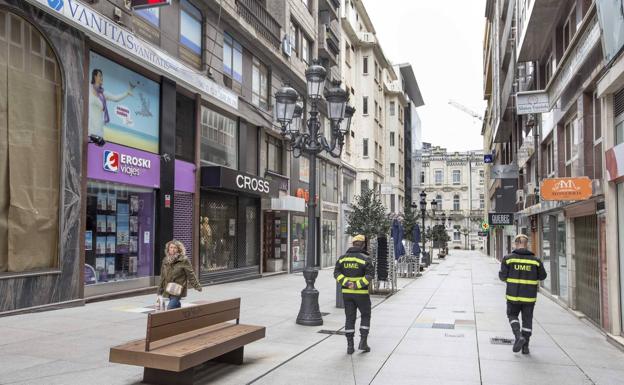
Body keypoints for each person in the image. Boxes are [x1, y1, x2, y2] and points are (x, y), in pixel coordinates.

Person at [499, 234, 547, 354]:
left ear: (516, 244)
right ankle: (525, 346)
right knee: (527, 320)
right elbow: (543, 276)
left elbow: (502, 277)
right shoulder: (536, 261)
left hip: (513, 296)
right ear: (527, 244)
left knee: (512, 316)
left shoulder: (508, 259)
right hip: (529, 298)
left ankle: (518, 336)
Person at [334, 234, 374, 354]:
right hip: (361, 293)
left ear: (353, 244)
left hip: (347, 294)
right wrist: (357, 285)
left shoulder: (342, 258)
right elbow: (370, 275)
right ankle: (363, 342)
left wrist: (347, 283)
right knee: (365, 315)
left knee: (350, 318)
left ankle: (350, 346)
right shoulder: (365, 258)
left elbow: (336, 273)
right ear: (362, 245)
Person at [88, 68, 135, 137]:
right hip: (88, 129)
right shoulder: (88, 87)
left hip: (98, 131)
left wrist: (127, 93)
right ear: (95, 77)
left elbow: (116, 98)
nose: (102, 78)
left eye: (102, 76)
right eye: (100, 76)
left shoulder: (103, 94)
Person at [158, 240, 202, 310]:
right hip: (168, 288)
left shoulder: (184, 260)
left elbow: (191, 274)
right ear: (168, 249)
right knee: (175, 307)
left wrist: (197, 286)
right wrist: (159, 291)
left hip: (178, 289)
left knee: (170, 308)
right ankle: (179, 315)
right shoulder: (165, 260)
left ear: (179, 249)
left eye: (175, 248)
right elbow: (162, 277)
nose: (173, 249)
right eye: (171, 247)